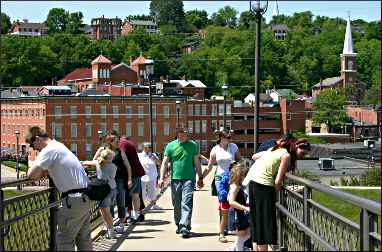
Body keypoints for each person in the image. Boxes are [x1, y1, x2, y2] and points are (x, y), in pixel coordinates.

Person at [25, 126, 92, 251]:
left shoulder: (49, 149)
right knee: (83, 239)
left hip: (74, 200)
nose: (34, 149)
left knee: (65, 240)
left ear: (38, 139)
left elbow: (31, 175)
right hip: (85, 196)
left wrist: (40, 168)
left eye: (32, 145)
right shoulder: (58, 146)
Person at [243, 139, 311, 251]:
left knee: (257, 223)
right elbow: (278, 181)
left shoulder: (275, 149)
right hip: (264, 187)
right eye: (302, 153)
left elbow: (255, 156)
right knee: (266, 225)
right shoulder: (286, 156)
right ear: (296, 147)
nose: (302, 156)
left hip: (253, 184)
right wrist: (274, 195)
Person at [158, 126, 204, 238]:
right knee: (176, 203)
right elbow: (164, 163)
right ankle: (179, 223)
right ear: (177, 134)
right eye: (181, 134)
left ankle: (185, 225)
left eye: (185, 134)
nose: (184, 136)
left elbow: (197, 162)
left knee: (187, 202)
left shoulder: (193, 145)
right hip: (175, 179)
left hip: (189, 179)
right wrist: (161, 178)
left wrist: (200, 177)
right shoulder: (170, 146)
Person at [204, 130, 241, 243]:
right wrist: (201, 177)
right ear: (220, 138)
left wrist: (240, 171)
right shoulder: (215, 149)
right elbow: (209, 167)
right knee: (223, 201)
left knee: (232, 202)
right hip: (220, 178)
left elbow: (240, 161)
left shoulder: (233, 147)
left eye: (230, 137)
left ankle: (229, 226)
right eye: (227, 137)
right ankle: (223, 230)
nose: (229, 139)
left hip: (232, 176)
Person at [94, 130, 132, 233]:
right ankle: (109, 225)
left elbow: (128, 166)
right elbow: (95, 161)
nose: (117, 142)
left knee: (121, 201)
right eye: (114, 140)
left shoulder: (120, 151)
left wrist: (129, 179)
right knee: (107, 205)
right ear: (109, 141)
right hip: (106, 182)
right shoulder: (102, 149)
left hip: (119, 179)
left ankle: (121, 224)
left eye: (118, 140)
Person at [82, 148, 117, 239]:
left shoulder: (98, 163)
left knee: (105, 211)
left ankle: (110, 231)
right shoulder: (113, 166)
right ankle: (109, 229)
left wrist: (98, 151)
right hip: (112, 189)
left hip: (102, 190)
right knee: (106, 211)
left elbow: (85, 162)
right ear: (110, 157)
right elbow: (112, 177)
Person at [118, 135, 146, 222]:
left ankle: (131, 216)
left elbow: (122, 158)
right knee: (136, 194)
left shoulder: (122, 143)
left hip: (131, 173)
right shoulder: (129, 143)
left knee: (131, 195)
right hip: (136, 172)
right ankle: (136, 215)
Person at [226, 162, 251, 251]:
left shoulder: (234, 185)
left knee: (246, 234)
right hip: (236, 216)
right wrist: (246, 208)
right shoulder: (235, 187)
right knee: (243, 236)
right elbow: (231, 202)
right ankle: (236, 249)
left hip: (239, 215)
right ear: (240, 175)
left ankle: (233, 248)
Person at [138, 142, 161, 210]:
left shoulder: (153, 155)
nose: (150, 148)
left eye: (150, 147)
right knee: (142, 192)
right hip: (142, 177)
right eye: (148, 147)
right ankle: (140, 206)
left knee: (153, 191)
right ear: (144, 147)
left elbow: (159, 163)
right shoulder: (139, 155)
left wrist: (154, 158)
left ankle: (154, 205)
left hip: (152, 176)